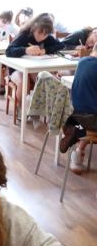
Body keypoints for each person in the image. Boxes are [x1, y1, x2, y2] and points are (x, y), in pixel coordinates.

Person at [32, 43, 97, 174]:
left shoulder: (82, 62)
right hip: (91, 120)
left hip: (71, 114)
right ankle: (78, 146)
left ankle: (78, 145)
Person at [6, 13, 65, 107]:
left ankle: (40, 108)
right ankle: (22, 109)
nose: (42, 37)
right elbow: (9, 51)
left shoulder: (47, 38)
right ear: (34, 27)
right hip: (17, 69)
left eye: (45, 34)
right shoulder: (24, 35)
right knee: (23, 81)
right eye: (40, 33)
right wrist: (26, 50)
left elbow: (61, 45)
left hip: (36, 68)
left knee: (46, 78)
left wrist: (45, 50)